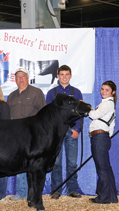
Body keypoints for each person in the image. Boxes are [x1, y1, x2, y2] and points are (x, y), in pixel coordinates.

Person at [7, 68, 46, 201]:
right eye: (18, 77)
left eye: (23, 76)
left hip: (32, 136)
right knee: (19, 163)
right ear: (15, 80)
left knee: (33, 164)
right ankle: (22, 192)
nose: (21, 79)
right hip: (15, 135)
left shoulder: (37, 92)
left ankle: (33, 193)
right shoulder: (11, 96)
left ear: (27, 78)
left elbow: (43, 114)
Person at [46, 65, 83, 199]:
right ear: (57, 76)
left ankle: (72, 189)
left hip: (71, 131)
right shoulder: (52, 93)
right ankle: (56, 189)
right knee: (56, 162)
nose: (64, 77)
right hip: (56, 133)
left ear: (71, 76)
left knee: (72, 163)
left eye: (67, 74)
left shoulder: (76, 92)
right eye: (62, 74)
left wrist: (77, 129)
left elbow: (80, 113)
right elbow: (48, 115)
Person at [88, 81, 118, 204]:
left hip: (99, 137)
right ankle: (110, 196)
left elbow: (94, 115)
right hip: (102, 137)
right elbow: (112, 124)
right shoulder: (109, 104)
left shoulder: (107, 104)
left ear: (113, 92)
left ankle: (104, 197)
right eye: (102, 89)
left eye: (106, 89)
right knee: (105, 167)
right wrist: (106, 136)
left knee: (102, 168)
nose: (103, 91)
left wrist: (87, 108)